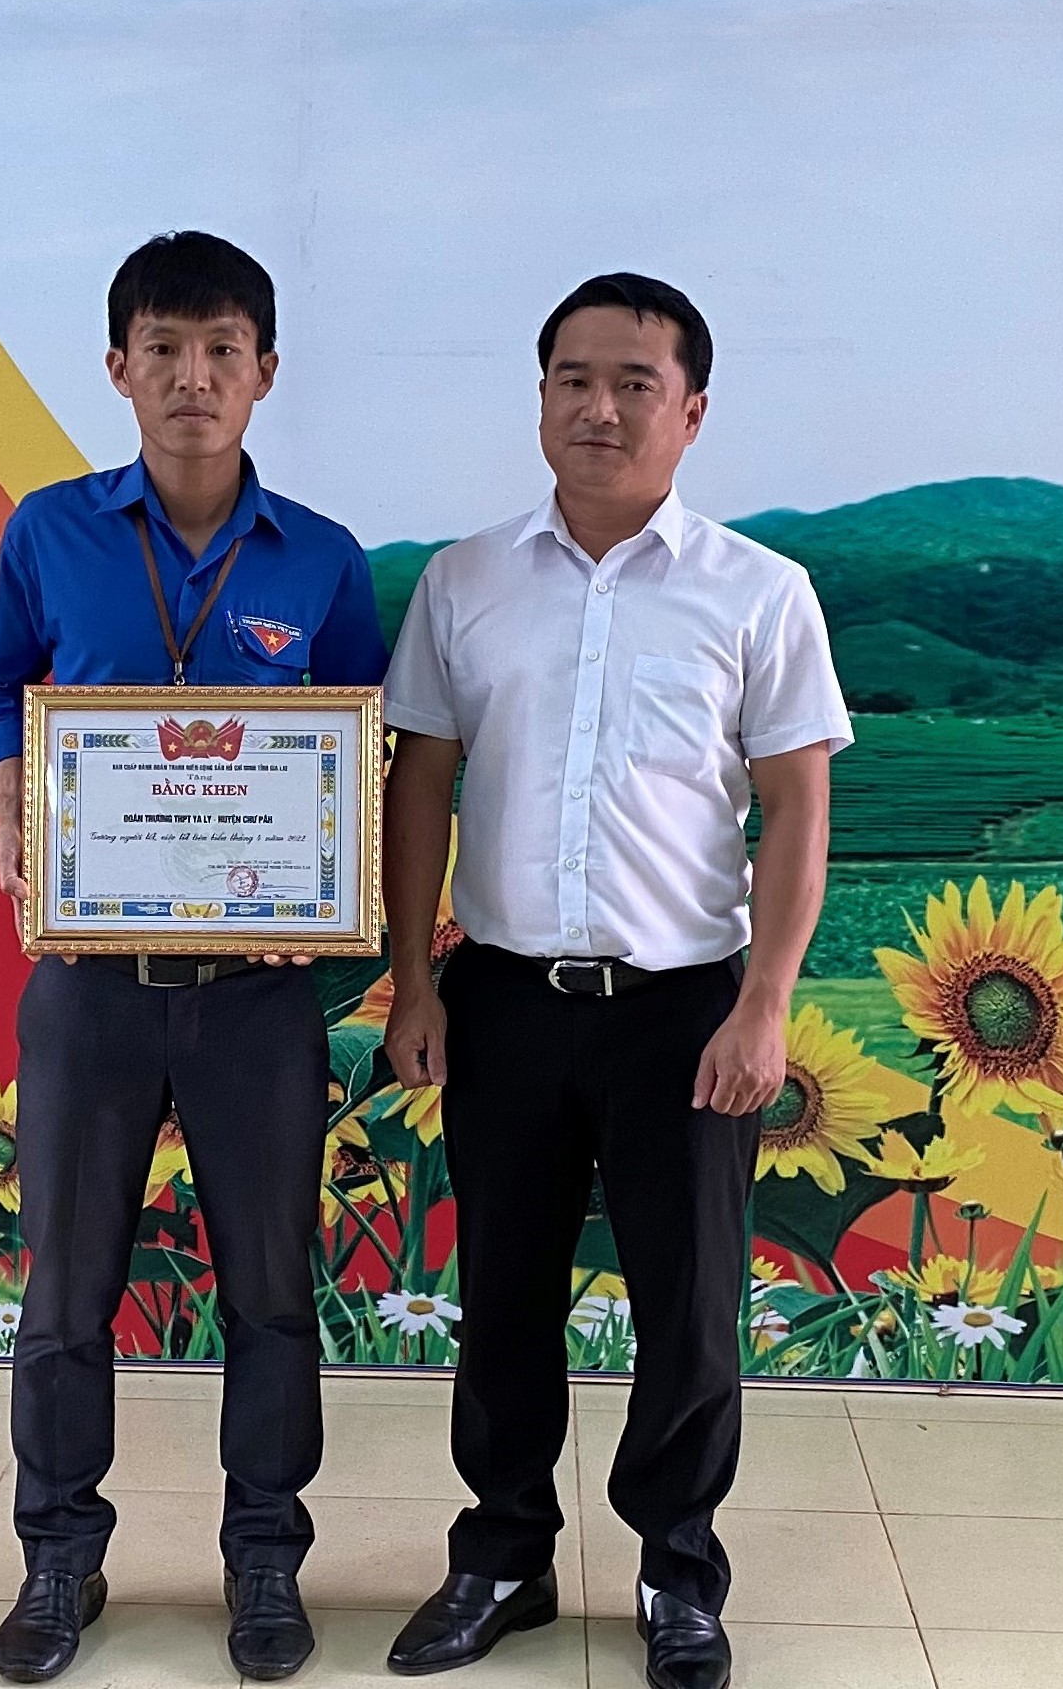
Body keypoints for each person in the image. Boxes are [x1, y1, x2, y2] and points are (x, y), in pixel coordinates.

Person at [377, 274, 850, 1689]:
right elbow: (419, 784)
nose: (599, 406)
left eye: (634, 382)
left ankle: (677, 1571)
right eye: (572, 379)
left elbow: (797, 808)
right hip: (503, 996)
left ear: (690, 411)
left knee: (688, 1306)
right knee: (503, 1293)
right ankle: (502, 1554)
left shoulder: (759, 591)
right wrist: (413, 982)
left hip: (684, 1008)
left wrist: (764, 1003)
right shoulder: (462, 582)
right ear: (538, 400)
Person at [0, 230, 390, 1685]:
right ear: (117, 366)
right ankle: (57, 1556)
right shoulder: (50, 532)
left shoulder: (322, 557)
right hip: (89, 987)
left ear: (265, 371)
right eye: (163, 348)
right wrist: (10, 794)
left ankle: (264, 1558)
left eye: (221, 350)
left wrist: (337, 893)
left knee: (270, 1290)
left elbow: (360, 746)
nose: (192, 377)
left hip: (257, 998)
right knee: (64, 1291)